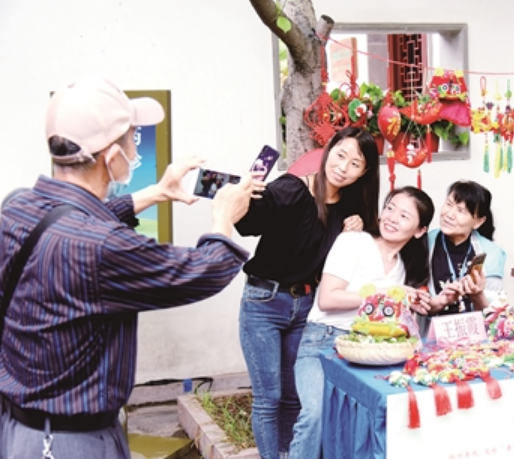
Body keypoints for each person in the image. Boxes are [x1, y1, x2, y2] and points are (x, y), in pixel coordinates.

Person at [0, 76, 261, 459]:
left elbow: (74, 219)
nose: (135, 146)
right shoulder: (101, 246)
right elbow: (204, 270)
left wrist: (158, 191)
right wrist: (224, 216)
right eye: (131, 137)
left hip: (20, 430)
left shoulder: (18, 207)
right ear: (111, 156)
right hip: (67, 444)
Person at [234, 126, 380, 459]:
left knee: (292, 397)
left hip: (306, 307)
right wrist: (245, 193)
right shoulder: (292, 188)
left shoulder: (349, 209)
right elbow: (248, 222)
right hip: (264, 302)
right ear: (328, 151)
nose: (343, 167)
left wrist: (358, 226)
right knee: (268, 398)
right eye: (340, 155)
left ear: (364, 172)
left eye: (355, 163)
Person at [288, 186, 434, 459]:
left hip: (369, 351)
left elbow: (382, 317)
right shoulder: (353, 242)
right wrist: (386, 294)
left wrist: (406, 305)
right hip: (322, 342)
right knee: (315, 415)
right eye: (390, 208)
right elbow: (327, 299)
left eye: (404, 216)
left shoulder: (402, 267)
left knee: (362, 420)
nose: (391, 218)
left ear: (419, 230)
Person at [417, 180, 507, 337]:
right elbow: (417, 304)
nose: (449, 214)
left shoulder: (492, 254)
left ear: (478, 221)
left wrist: (477, 295)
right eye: (449, 204)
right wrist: (443, 300)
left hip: (476, 342)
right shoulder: (425, 243)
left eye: (461, 211)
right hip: (431, 340)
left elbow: (495, 318)